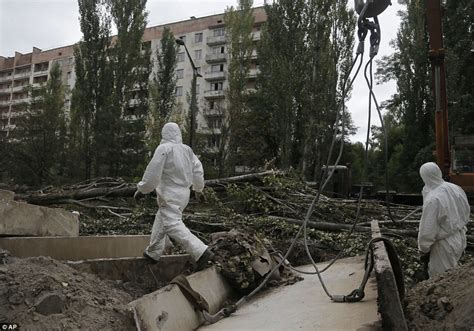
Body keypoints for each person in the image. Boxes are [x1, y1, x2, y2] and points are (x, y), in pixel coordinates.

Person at [134, 122, 213, 269]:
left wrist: (142, 189)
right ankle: (153, 252)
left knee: (172, 224)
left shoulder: (164, 148)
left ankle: (201, 251)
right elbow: (198, 169)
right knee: (162, 218)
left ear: (164, 134)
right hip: (184, 193)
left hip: (169, 193)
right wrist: (198, 189)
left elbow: (152, 173)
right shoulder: (187, 150)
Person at [418, 162, 470, 277]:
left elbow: (428, 228)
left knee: (441, 279)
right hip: (460, 237)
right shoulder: (455, 188)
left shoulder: (433, 199)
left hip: (444, 245)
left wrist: (423, 247)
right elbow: (466, 211)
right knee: (453, 275)